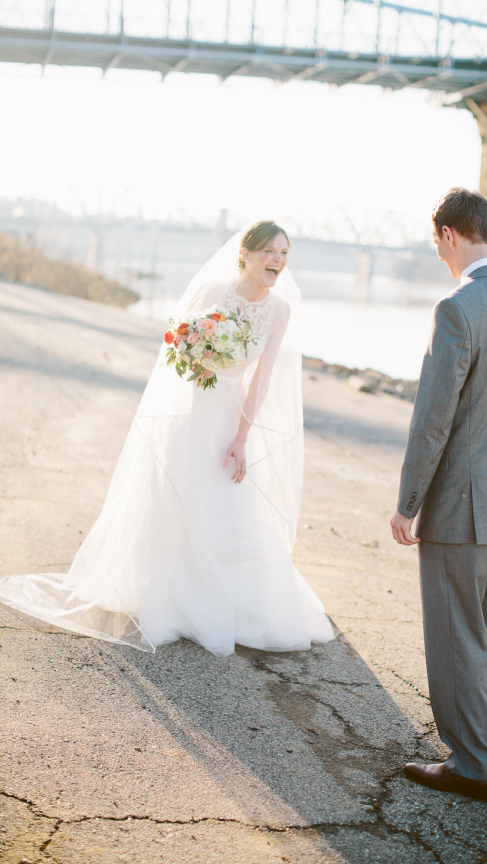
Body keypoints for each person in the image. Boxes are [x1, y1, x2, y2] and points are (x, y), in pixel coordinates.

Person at [0, 221, 334, 656]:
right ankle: (167, 594)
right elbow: (177, 344)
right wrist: (199, 356)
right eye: (270, 251)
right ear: (246, 254)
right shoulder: (213, 291)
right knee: (176, 496)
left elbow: (261, 377)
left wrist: (241, 437)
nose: (278, 261)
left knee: (226, 505)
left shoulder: (280, 311)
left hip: (230, 418)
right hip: (193, 411)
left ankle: (225, 600)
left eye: (285, 254)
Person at [390, 188, 487, 802]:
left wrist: (409, 503)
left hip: (460, 502)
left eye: (437, 245)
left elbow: (434, 420)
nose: (439, 256)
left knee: (459, 631)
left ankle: (473, 765)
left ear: (450, 235)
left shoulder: (458, 308)